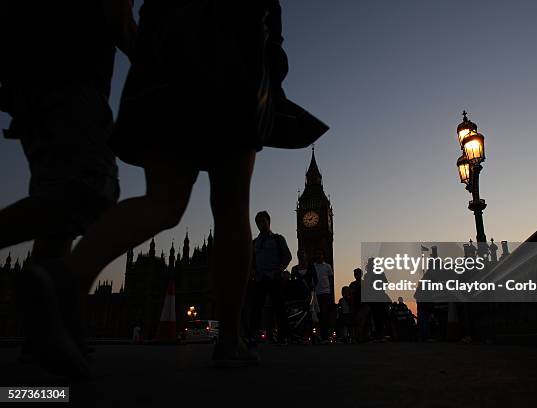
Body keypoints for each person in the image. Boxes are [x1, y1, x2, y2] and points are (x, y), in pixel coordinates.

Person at [21, 0, 324, 374]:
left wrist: (148, 53)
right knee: (231, 207)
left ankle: (67, 273)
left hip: (164, 65)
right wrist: (272, 77)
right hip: (233, 64)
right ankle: (230, 341)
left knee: (162, 201)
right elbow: (267, 23)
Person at [0, 0, 136, 377]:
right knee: (90, 193)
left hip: (27, 90)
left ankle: (41, 336)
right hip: (72, 85)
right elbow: (118, 18)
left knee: (57, 223)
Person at [249, 211, 292, 344]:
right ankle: (253, 336)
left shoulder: (278, 239)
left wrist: (280, 269)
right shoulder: (254, 242)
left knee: (279, 307)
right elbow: (251, 260)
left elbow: (287, 256)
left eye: (263, 221)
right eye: (258, 222)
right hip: (260, 279)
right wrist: (252, 270)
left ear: (269, 221)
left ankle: (283, 336)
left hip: (274, 277)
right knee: (256, 308)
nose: (260, 224)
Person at [313, 248, 334, 343]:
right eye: (317, 254)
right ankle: (319, 335)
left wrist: (331, 293)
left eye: (320, 254)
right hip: (316, 293)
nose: (319, 256)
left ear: (323, 256)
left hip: (325, 293)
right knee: (318, 315)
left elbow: (330, 280)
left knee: (325, 314)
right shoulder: (313, 266)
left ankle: (325, 336)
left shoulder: (328, 266)